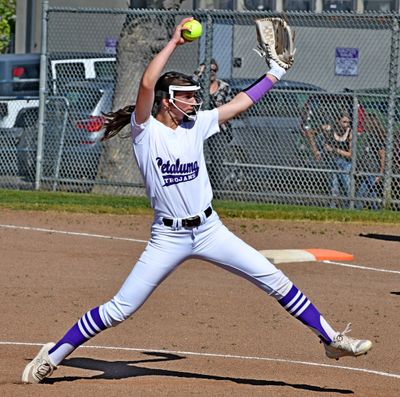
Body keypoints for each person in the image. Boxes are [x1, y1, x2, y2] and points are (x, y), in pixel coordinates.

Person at [22, 17, 372, 384]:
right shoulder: (146, 131)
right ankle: (54, 355)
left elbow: (239, 103)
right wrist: (173, 41)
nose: (194, 99)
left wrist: (275, 73)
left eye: (193, 94)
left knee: (275, 279)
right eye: (186, 95)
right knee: (120, 309)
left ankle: (331, 339)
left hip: (209, 230)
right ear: (166, 102)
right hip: (168, 238)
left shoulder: (196, 124)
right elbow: (145, 82)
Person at [192, 58, 233, 190]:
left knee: (217, 161)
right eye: (208, 70)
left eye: (214, 70)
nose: (211, 73)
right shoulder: (197, 86)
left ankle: (216, 190)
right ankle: (196, 188)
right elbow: (189, 82)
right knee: (196, 159)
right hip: (198, 127)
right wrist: (199, 72)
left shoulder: (224, 87)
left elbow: (230, 107)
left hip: (218, 127)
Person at [355, 113, 385, 210]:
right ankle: (377, 211)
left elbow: (382, 156)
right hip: (367, 170)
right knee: (372, 194)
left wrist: (380, 173)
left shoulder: (376, 137)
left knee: (360, 195)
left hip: (373, 171)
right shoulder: (369, 136)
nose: (363, 123)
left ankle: (359, 211)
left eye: (365, 121)